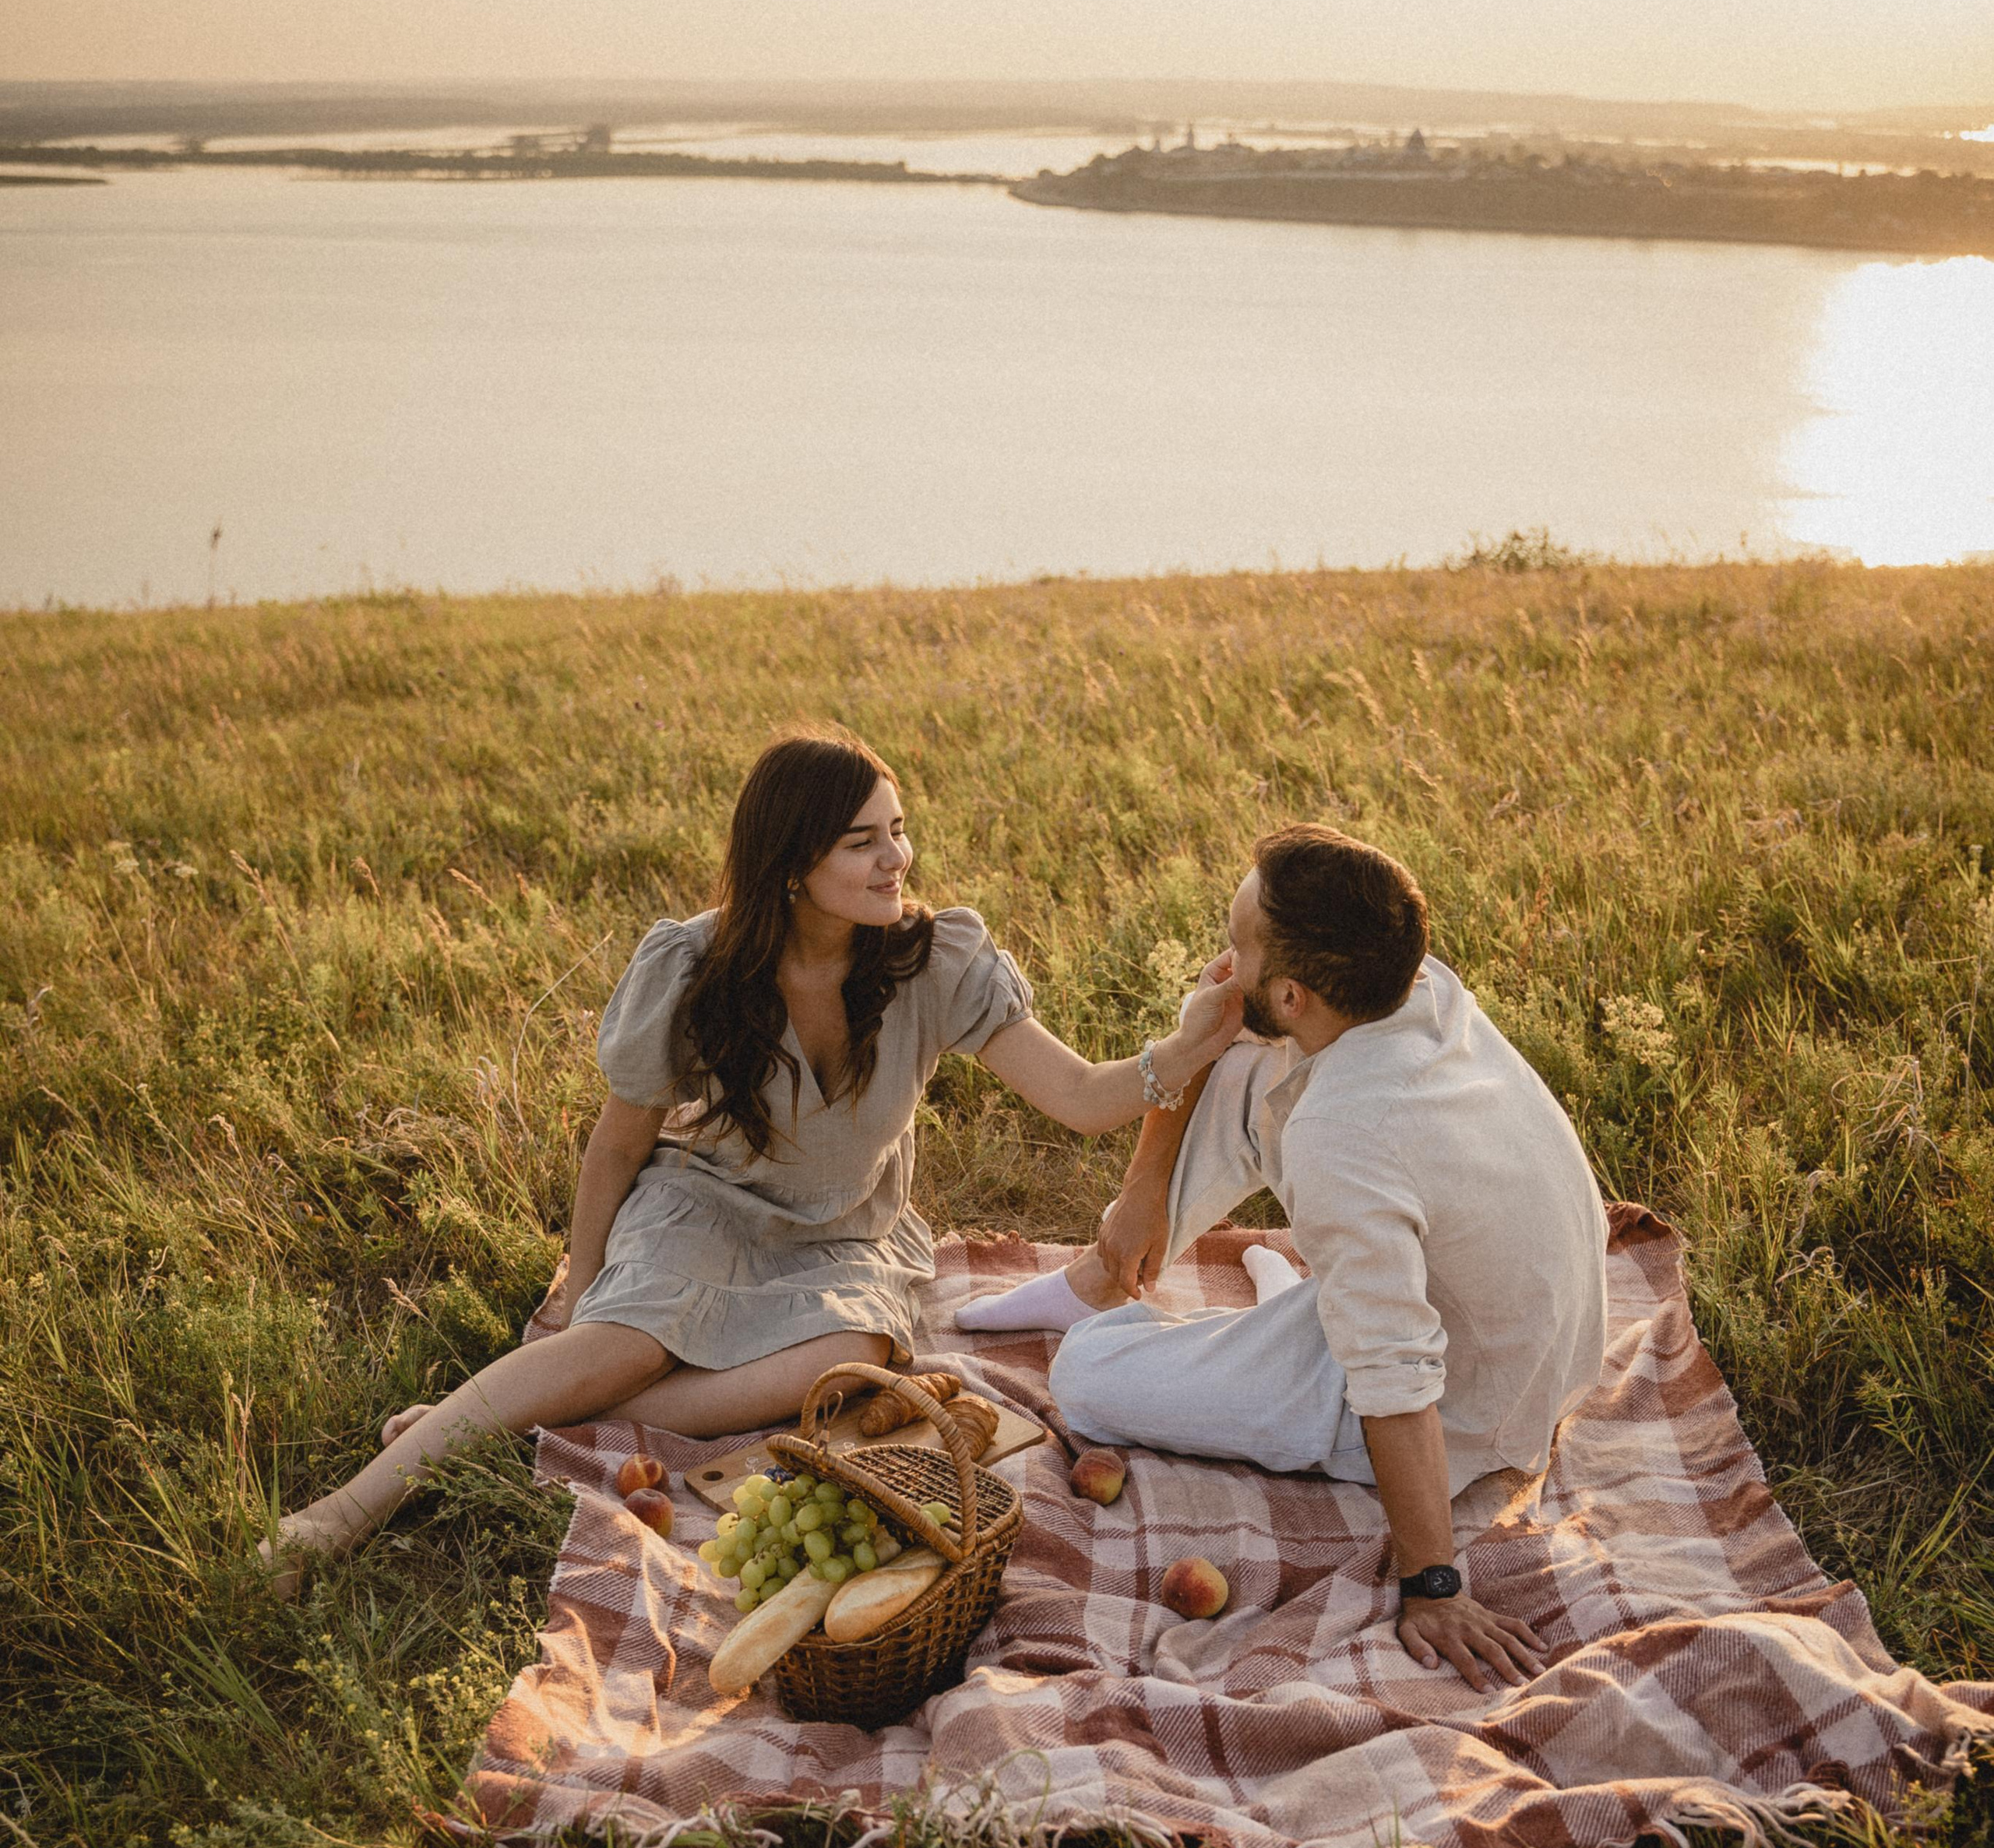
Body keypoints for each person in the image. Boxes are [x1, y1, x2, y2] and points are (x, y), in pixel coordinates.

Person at [261, 723, 1242, 1586]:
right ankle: (340, 1516)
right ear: (789, 864)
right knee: (624, 1342)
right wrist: (584, 1292)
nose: (896, 858)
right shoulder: (693, 966)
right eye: (862, 842)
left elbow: (1077, 1098)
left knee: (853, 1362)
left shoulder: (934, 959)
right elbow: (616, 1148)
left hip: (846, 1231)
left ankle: (521, 1411)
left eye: (897, 829)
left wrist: (1189, 1043)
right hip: (704, 1205)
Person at [956, 824, 1608, 1693]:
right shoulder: (1414, 992)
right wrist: (1146, 1191)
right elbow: (1240, 1033)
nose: (1221, 961)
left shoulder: (1345, 1133)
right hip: (1516, 1325)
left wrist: (1434, 1583)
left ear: (1297, 991)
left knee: (1086, 1372)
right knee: (1229, 1045)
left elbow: (1396, 1379)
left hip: (1467, 1406)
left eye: (1237, 945)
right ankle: (1119, 1266)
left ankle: (1225, 1317)